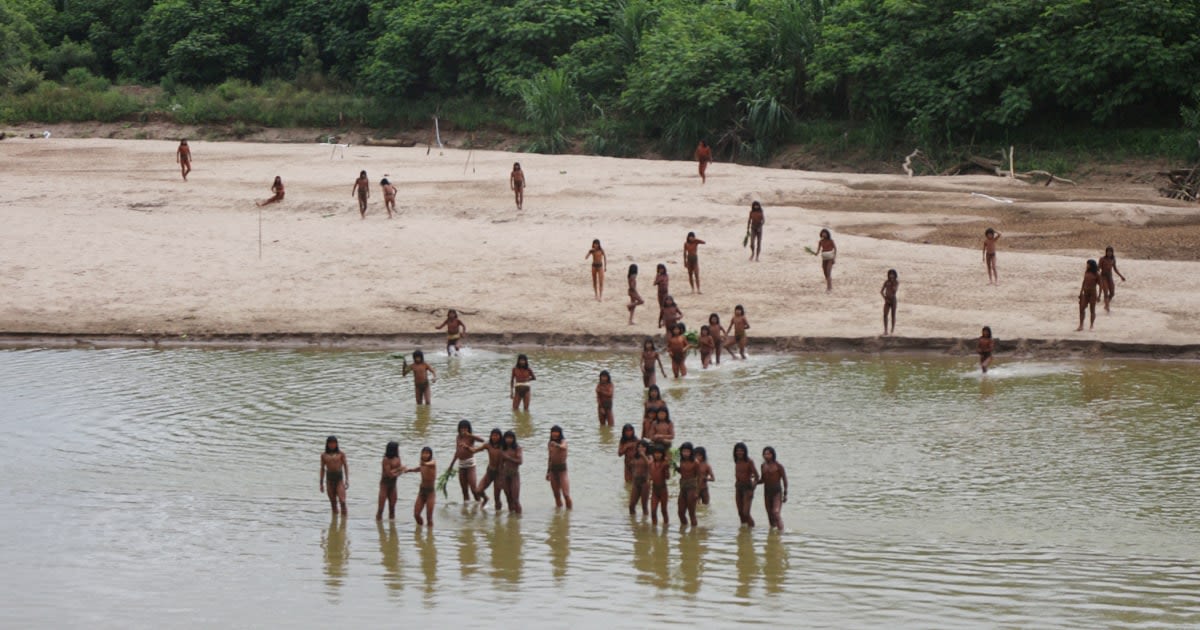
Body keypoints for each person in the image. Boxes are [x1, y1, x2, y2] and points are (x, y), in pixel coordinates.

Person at [448, 420, 485, 504]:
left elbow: (482, 440)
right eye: (462, 428)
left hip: (470, 464)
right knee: (464, 489)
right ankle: (466, 507)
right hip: (461, 465)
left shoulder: (470, 437)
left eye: (465, 428)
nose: (463, 430)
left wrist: (470, 435)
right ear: (459, 429)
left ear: (468, 429)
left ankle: (479, 503)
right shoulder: (458, 437)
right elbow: (457, 452)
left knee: (473, 488)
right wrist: (451, 464)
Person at [403, 447, 437, 527]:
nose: (425, 455)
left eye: (427, 453)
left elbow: (430, 463)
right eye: (423, 453)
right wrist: (409, 470)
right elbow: (419, 468)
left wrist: (424, 464)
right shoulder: (422, 463)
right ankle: (420, 529)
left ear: (430, 455)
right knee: (416, 514)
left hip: (430, 493)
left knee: (429, 518)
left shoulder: (432, 462)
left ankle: (430, 535)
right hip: (421, 492)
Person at [473, 428, 505, 510]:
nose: (495, 437)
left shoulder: (503, 446)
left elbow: (513, 451)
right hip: (490, 472)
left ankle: (497, 518)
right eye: (493, 435)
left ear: (500, 437)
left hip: (499, 474)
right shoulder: (488, 445)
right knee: (478, 490)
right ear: (490, 436)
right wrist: (468, 448)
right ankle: (485, 498)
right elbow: (475, 450)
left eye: (497, 436)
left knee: (497, 497)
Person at [759, 447, 788, 530]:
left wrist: (785, 494)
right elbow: (763, 480)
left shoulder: (778, 466)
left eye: (768, 454)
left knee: (776, 513)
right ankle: (773, 537)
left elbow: (784, 479)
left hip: (777, 492)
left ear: (772, 455)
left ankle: (782, 532)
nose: (766, 456)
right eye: (764, 454)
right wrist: (754, 483)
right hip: (767, 492)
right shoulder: (763, 466)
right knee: (770, 515)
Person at [320, 435, 349, 515]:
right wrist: (321, 483)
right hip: (329, 479)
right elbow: (322, 469)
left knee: (342, 501)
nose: (332, 445)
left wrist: (347, 479)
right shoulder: (324, 455)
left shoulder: (341, 454)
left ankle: (344, 520)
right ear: (327, 444)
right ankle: (335, 522)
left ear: (336, 444)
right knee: (333, 502)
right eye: (330, 443)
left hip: (339, 479)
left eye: (334, 443)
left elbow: (345, 466)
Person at [546, 425, 573, 509]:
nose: (554, 434)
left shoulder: (563, 441)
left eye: (556, 432)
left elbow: (563, 447)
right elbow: (550, 458)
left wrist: (556, 445)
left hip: (562, 470)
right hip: (553, 470)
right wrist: (548, 472)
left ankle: (569, 514)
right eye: (553, 432)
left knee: (566, 494)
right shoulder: (550, 443)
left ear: (560, 433)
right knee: (556, 494)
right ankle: (558, 513)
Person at [733, 442, 759, 527]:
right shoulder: (737, 460)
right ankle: (744, 530)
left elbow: (757, 476)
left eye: (741, 451)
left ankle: (752, 529)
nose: (739, 453)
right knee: (740, 512)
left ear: (745, 452)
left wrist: (753, 487)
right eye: (737, 451)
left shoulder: (749, 461)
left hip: (747, 488)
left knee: (746, 512)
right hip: (738, 487)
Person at [376, 441, 403, 520]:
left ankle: (392, 527)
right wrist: (399, 470)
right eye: (397, 449)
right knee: (381, 508)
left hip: (393, 485)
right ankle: (379, 524)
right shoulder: (386, 459)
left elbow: (399, 472)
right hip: (384, 485)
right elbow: (389, 474)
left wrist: (399, 471)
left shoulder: (398, 458)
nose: (398, 450)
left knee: (392, 508)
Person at [676, 442, 699, 528]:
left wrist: (697, 492)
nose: (685, 453)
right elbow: (682, 472)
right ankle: (684, 529)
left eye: (687, 451)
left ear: (691, 452)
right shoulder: (681, 461)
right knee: (680, 512)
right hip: (683, 487)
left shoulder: (695, 462)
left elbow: (699, 477)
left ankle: (694, 534)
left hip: (692, 487)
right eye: (684, 451)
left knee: (691, 513)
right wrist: (676, 468)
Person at [500, 430, 523, 514]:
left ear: (514, 439)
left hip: (514, 475)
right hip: (505, 475)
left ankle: (518, 518)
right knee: (508, 498)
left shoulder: (517, 448)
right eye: (507, 438)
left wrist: (508, 458)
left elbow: (520, 461)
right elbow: (501, 464)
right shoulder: (503, 448)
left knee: (515, 499)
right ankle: (511, 519)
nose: (509, 440)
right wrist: (500, 477)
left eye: (511, 438)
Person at [1098, 246, 1126, 313]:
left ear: (1112, 252)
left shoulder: (1113, 259)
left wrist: (1121, 276)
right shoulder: (1102, 259)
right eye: (1108, 252)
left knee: (1112, 293)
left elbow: (1115, 269)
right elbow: (1098, 268)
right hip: (1103, 277)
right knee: (1105, 292)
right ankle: (1107, 308)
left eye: (1110, 252)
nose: (1109, 253)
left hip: (1110, 277)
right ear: (1106, 252)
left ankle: (1106, 304)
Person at [649, 445, 672, 524]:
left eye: (659, 453)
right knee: (653, 511)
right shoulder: (651, 463)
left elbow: (668, 477)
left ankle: (665, 528)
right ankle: (654, 529)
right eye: (656, 453)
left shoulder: (665, 464)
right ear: (653, 454)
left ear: (662, 454)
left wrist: (666, 469)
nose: (657, 455)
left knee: (663, 510)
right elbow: (650, 477)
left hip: (663, 490)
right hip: (654, 490)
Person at [629, 440, 652, 516]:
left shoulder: (649, 456)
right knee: (631, 505)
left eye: (642, 447)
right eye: (639, 447)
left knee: (644, 506)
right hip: (636, 481)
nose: (640, 449)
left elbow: (649, 464)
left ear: (646, 448)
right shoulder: (635, 457)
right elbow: (632, 467)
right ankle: (633, 523)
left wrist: (643, 455)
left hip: (645, 482)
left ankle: (645, 523)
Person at [1078, 259, 1101, 332]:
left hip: (1093, 293)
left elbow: (1101, 286)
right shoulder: (1086, 272)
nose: (1087, 265)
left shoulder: (1096, 274)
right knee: (1081, 309)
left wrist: (1099, 296)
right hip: (1085, 293)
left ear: (1091, 265)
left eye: (1088, 264)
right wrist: (1081, 292)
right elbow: (1084, 282)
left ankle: (1091, 325)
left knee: (1092, 310)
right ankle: (1081, 325)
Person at [881, 269, 899, 336]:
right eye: (890, 274)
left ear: (895, 275)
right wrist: (885, 298)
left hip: (893, 300)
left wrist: (892, 283)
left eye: (892, 274)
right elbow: (881, 291)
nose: (891, 275)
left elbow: (895, 290)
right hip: (887, 300)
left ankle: (892, 330)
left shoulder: (896, 282)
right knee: (885, 315)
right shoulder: (886, 282)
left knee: (893, 315)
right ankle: (885, 330)